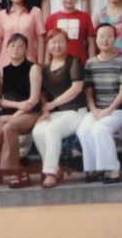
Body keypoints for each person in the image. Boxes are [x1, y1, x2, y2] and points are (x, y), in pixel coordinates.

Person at [76, 23, 122, 184]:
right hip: (97, 109)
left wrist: (108, 110)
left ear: (115, 38)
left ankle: (114, 168)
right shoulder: (90, 63)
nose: (105, 40)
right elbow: (88, 91)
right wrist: (93, 109)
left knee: (100, 128)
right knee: (83, 130)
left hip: (119, 110)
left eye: (109, 36)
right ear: (96, 40)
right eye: (101, 36)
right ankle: (96, 167)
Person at [32, 28, 87, 188]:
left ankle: (49, 173)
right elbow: (43, 94)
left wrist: (54, 103)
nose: (57, 46)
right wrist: (45, 110)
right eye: (53, 42)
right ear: (48, 45)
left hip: (76, 111)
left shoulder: (74, 62)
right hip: (56, 114)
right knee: (38, 131)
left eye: (61, 42)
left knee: (52, 130)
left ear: (67, 43)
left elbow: (76, 88)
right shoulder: (45, 69)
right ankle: (55, 169)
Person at [0, 34, 42, 189]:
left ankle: (13, 172)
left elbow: (34, 99)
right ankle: (20, 169)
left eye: (20, 46)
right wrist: (17, 106)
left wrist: (15, 115)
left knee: (9, 127)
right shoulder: (1, 72)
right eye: (12, 45)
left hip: (30, 113)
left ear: (26, 49)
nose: (16, 49)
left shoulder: (33, 68)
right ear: (6, 49)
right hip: (9, 113)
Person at [0, 0, 46, 68]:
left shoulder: (35, 12)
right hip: (5, 62)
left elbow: (40, 39)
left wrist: (40, 63)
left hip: (29, 61)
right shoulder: (2, 14)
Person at [45, 0, 96, 64]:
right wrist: (46, 64)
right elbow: (47, 44)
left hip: (79, 62)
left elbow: (91, 42)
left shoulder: (85, 16)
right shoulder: (52, 18)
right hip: (57, 63)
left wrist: (92, 62)